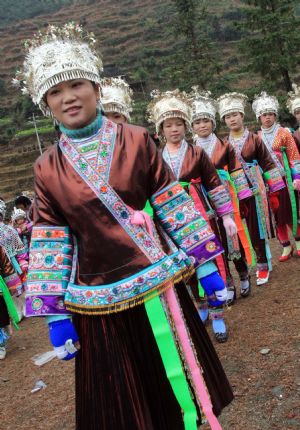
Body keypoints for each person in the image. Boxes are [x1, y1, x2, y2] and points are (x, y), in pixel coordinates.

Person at [16, 23, 233, 429]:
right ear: (47, 105)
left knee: (176, 381)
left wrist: (204, 263)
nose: (68, 98)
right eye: (55, 93)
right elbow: (50, 237)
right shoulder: (47, 167)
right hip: (97, 298)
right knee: (122, 398)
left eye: (76, 85)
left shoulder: (135, 140)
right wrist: (53, 313)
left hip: (156, 281)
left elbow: (171, 202)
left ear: (96, 90)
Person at [147, 88, 236, 342]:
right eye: (168, 125)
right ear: (161, 129)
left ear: (186, 126)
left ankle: (218, 314)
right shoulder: (156, 158)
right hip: (169, 223)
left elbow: (214, 183)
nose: (174, 129)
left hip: (201, 215)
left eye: (178, 124)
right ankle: (201, 306)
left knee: (209, 265)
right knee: (184, 267)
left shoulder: (197, 153)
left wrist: (226, 215)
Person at [191, 89, 254, 301]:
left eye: (206, 120)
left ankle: (243, 273)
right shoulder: (190, 151)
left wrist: (243, 196)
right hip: (202, 199)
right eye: (198, 122)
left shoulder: (225, 145)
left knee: (232, 237)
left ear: (213, 123)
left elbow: (236, 169)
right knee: (214, 240)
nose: (202, 125)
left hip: (226, 195)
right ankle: (226, 281)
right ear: (192, 126)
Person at [217, 93, 285, 286]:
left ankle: (263, 265)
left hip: (256, 189)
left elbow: (268, 163)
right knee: (239, 230)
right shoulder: (222, 144)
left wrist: (275, 190)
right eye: (228, 116)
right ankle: (245, 266)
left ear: (242, 115)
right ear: (224, 120)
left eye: (235, 115)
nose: (232, 119)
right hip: (234, 192)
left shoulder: (255, 139)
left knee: (257, 229)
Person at [252, 91, 300, 260]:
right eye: (264, 115)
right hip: (269, 182)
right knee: (277, 215)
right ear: (259, 117)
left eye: (271, 114)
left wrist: (297, 177)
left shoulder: (284, 133)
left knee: (292, 212)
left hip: (285, 178)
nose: (268, 118)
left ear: (275, 115)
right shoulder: (256, 138)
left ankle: (299, 242)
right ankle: (285, 246)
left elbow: (294, 156)